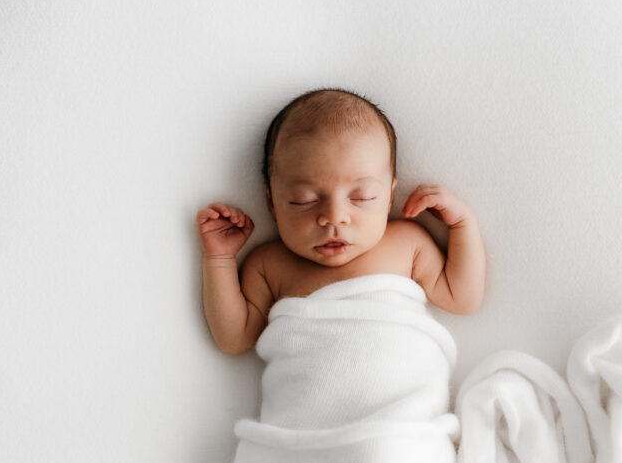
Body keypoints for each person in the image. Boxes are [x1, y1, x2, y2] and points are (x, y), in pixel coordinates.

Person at [196, 88, 486, 355]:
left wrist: (462, 225)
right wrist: (219, 259)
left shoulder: (407, 244)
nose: (334, 217)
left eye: (362, 197)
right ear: (272, 202)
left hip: (407, 410)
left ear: (388, 198)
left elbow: (462, 298)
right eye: (303, 200)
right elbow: (234, 339)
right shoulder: (269, 266)